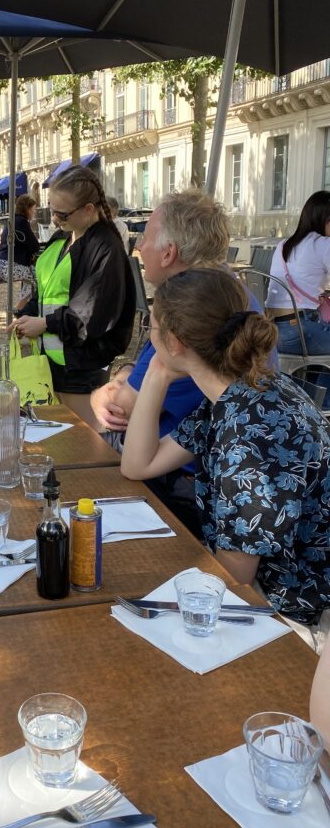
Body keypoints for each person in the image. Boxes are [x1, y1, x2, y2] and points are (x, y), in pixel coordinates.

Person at [121, 267, 330, 651]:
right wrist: (156, 373)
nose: (149, 343)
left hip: (297, 618)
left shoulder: (249, 436)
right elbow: (137, 465)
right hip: (274, 595)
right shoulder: (245, 391)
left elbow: (234, 577)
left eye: (151, 330)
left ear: (175, 341)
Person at [89, 189, 239, 535]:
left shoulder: (195, 314)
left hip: (189, 488)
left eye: (145, 236)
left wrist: (123, 382)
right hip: (174, 465)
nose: (138, 246)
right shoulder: (218, 295)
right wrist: (130, 372)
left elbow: (120, 408)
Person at [13, 167, 135, 430]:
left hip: (81, 365)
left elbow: (91, 314)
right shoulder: (65, 237)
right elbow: (46, 289)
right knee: (58, 441)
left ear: (89, 209)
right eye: (51, 210)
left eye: (62, 213)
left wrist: (44, 324)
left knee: (83, 444)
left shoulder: (106, 248)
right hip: (54, 362)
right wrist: (25, 317)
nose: (55, 219)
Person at [266, 190, 330, 359]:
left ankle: (312, 386)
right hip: (300, 330)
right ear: (326, 220)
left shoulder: (283, 245)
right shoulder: (323, 244)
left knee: (321, 359)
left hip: (272, 332)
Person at [0, 193, 39, 312]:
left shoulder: (12, 220)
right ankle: (20, 309)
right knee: (37, 276)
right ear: (27, 209)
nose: (34, 212)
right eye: (33, 209)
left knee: (30, 272)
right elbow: (34, 246)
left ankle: (22, 307)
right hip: (6, 267)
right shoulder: (22, 222)